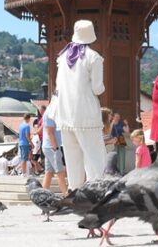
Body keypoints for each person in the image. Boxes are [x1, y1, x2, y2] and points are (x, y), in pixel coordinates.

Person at [46, 19, 107, 190]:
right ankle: (98, 194)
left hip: (65, 115)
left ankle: (76, 195)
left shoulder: (63, 56)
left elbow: (59, 84)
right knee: (94, 157)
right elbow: (97, 88)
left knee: (73, 159)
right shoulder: (93, 57)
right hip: (86, 114)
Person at [42, 98, 68, 195]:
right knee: (60, 172)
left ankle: (43, 195)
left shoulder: (50, 112)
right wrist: (56, 148)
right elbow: (50, 132)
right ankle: (66, 196)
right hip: (52, 147)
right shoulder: (50, 113)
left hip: (49, 146)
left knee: (49, 173)